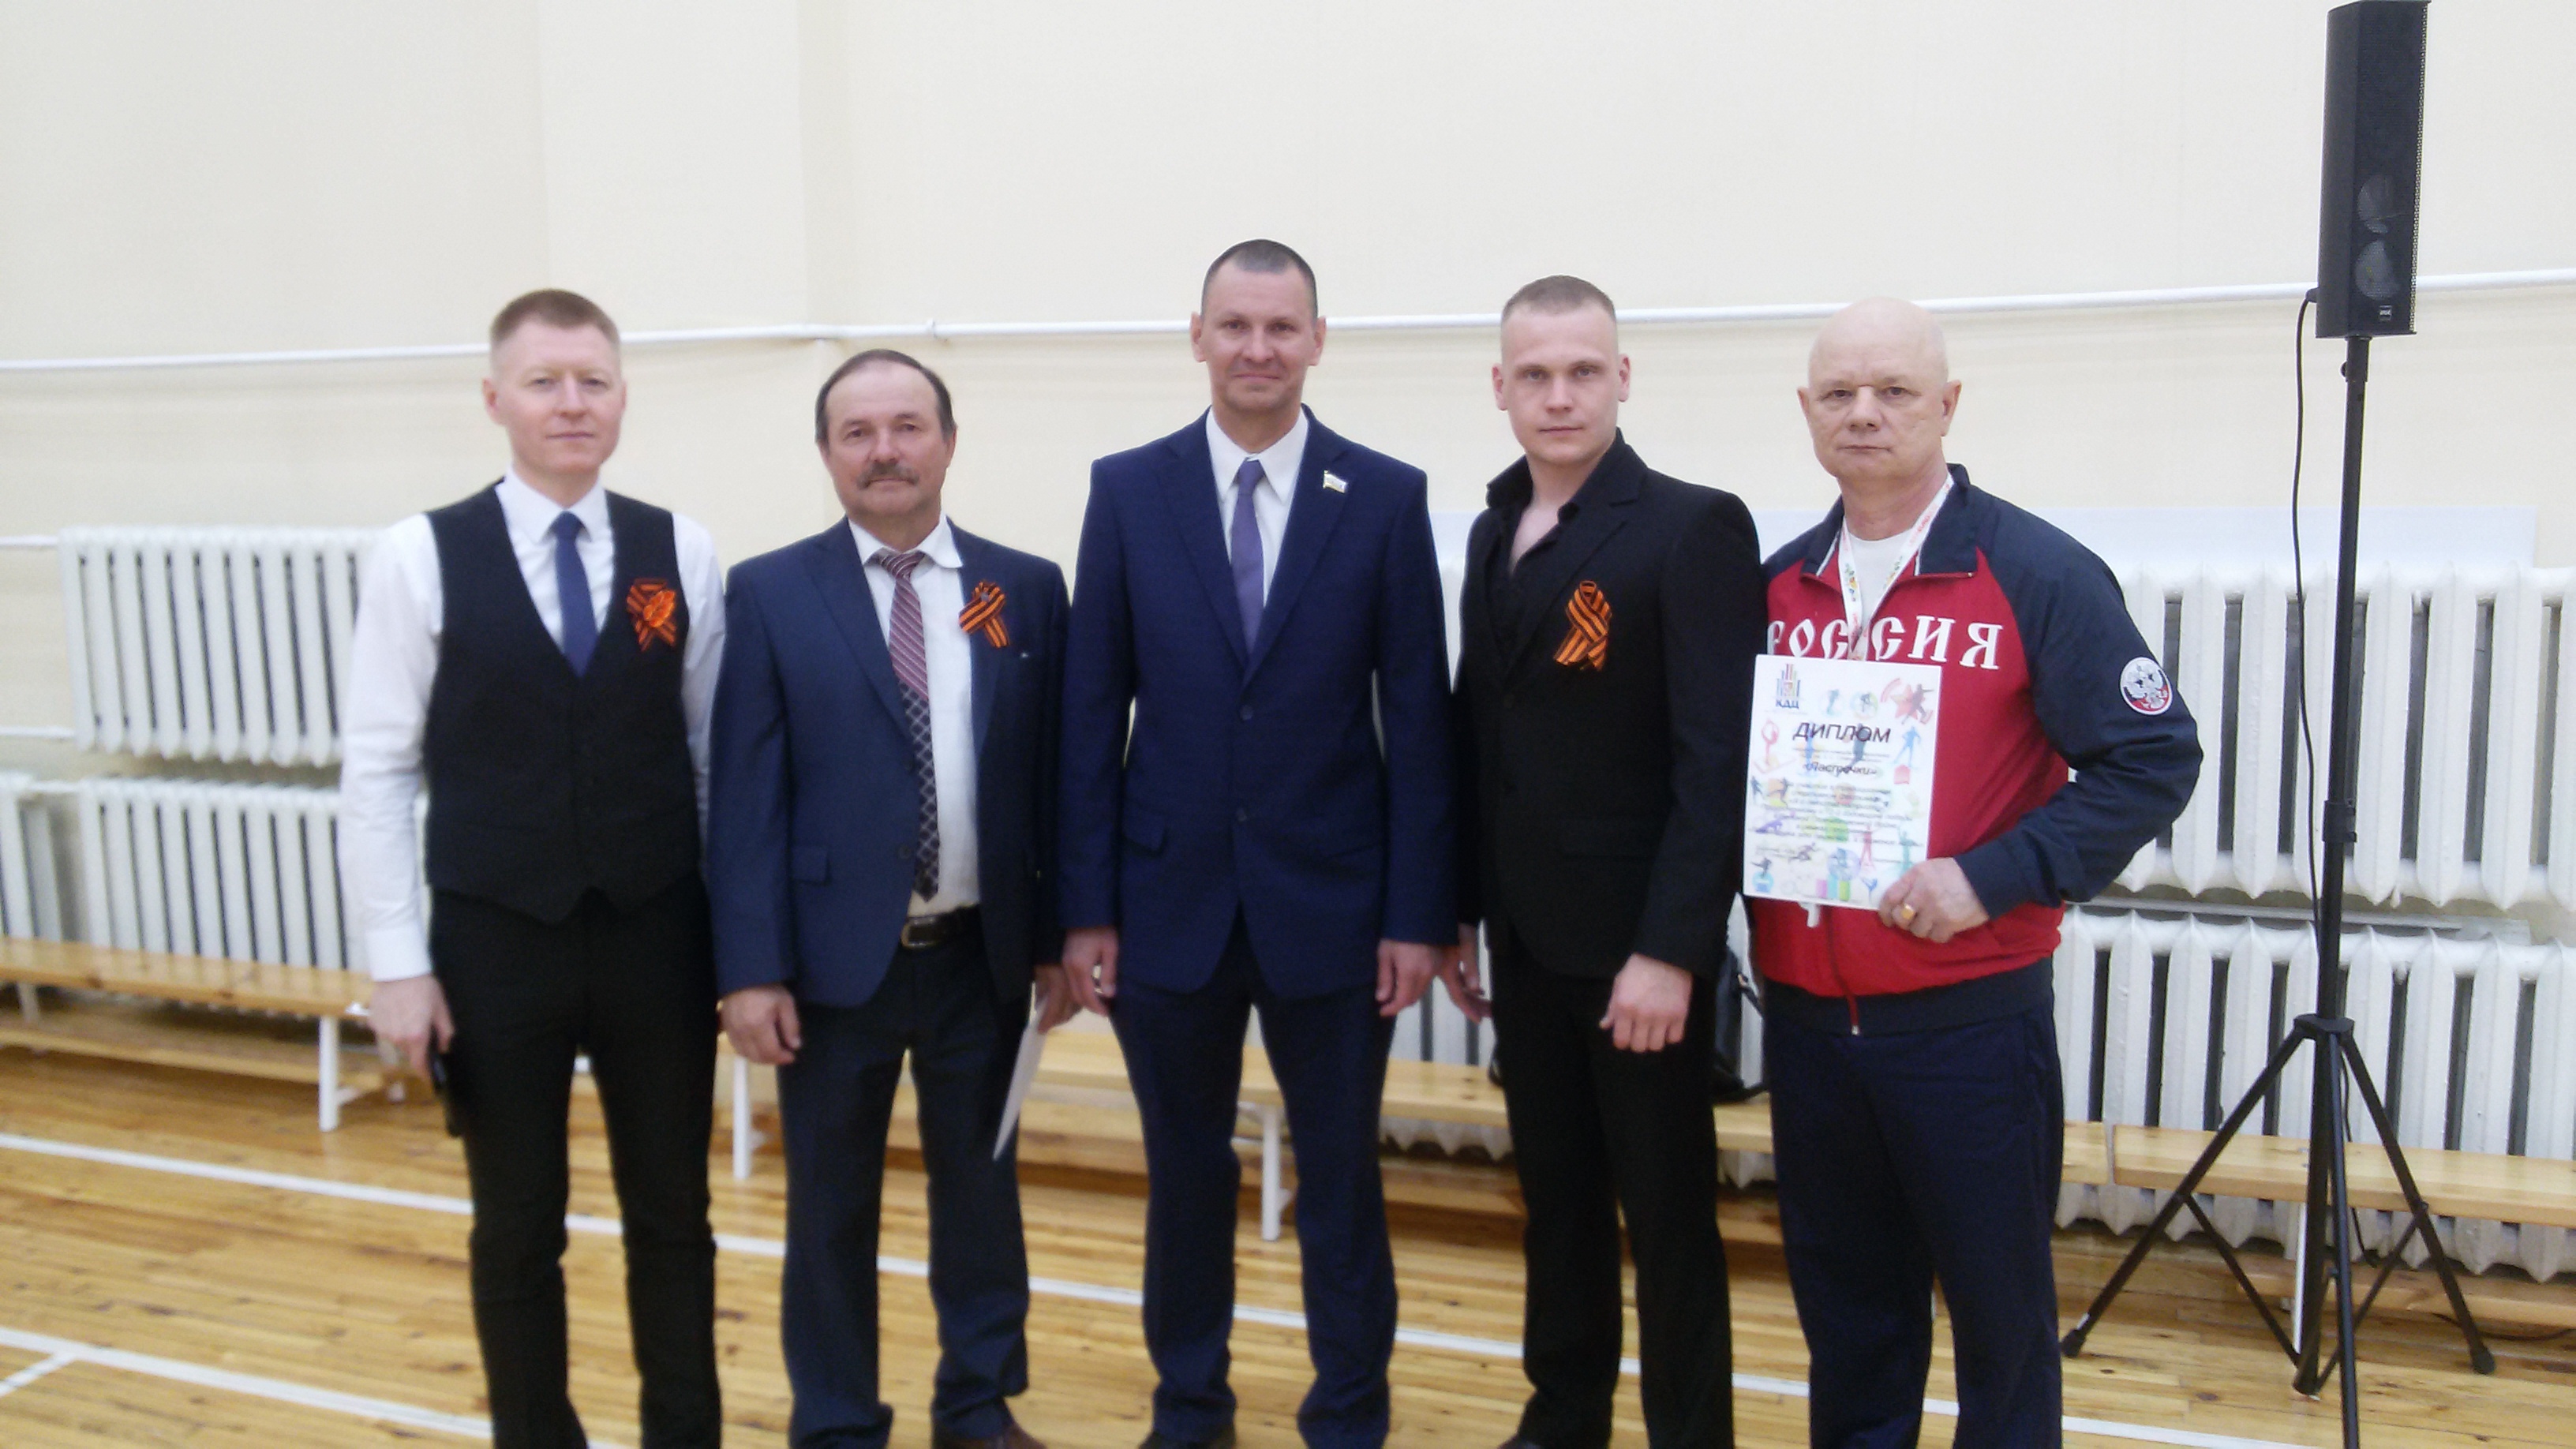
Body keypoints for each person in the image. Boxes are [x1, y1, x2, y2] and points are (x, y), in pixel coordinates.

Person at [1751, 298, 2200, 1447]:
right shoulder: (1777, 587)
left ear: (1948, 405)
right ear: (1807, 409)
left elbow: (2153, 757)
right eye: (1840, 393)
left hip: (1967, 1033)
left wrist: (1992, 877)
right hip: (1808, 1030)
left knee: (2001, 1339)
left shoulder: (2037, 572)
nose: (1865, 413)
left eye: (1895, 391)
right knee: (1852, 1330)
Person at [1055, 239, 1454, 1449]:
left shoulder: (1383, 496)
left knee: (1340, 1179)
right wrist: (1086, 909)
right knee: (1185, 1177)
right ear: (1198, 336)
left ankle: (1351, 1416)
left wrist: (1418, 916)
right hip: (1163, 904)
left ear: (1317, 340)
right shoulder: (1129, 490)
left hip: (1334, 908)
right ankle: (1190, 1410)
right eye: (1236, 325)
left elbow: (1419, 721)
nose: (1258, 349)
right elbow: (1091, 711)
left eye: (1282, 327)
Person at [339, 287, 727, 1448]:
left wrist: (738, 940)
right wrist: (396, 966)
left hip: (658, 935)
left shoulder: (678, 552)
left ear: (622, 398)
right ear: (495, 399)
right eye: (545, 381)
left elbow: (713, 761)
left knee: (675, 1219)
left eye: (592, 381)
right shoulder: (420, 556)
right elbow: (376, 773)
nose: (571, 403)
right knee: (516, 1228)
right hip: (495, 942)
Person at [706, 350, 1071, 1449]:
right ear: (826, 455)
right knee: (829, 1212)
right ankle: (834, 1424)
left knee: (982, 1199)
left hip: (980, 958)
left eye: (908, 427)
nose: (885, 452)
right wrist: (749, 968)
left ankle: (978, 1407)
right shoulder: (770, 592)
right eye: (857, 433)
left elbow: (1055, 779)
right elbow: (745, 798)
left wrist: (1058, 937)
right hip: (830, 971)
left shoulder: (1023, 589)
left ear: (949, 442)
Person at [1443, 275, 1765, 1449]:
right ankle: (1562, 1417)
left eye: (1584, 371)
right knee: (1557, 1201)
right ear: (1500, 388)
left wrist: (1672, 951)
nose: (1560, 395)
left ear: (1622, 378)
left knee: (1669, 1221)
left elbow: (1715, 764)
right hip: (1528, 942)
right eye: (1535, 374)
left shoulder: (1692, 527)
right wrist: (1459, 909)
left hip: (1639, 956)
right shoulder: (1492, 530)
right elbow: (1481, 734)